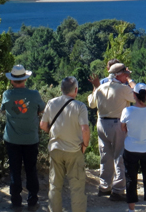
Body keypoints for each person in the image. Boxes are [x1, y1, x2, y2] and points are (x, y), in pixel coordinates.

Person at [40, 76, 90, 212]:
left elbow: (43, 125)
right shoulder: (80, 106)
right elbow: (85, 129)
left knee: (55, 186)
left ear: (61, 89)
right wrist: (84, 145)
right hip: (74, 150)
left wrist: (53, 133)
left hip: (55, 148)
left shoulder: (51, 103)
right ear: (76, 90)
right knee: (77, 188)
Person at [88, 60, 136, 201]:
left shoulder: (101, 88)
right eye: (125, 74)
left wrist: (95, 87)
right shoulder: (123, 88)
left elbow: (91, 103)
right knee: (120, 156)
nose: (126, 77)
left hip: (102, 123)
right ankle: (118, 190)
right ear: (118, 75)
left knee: (105, 156)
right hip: (117, 124)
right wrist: (131, 81)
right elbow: (137, 96)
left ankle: (104, 187)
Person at [1, 65, 46, 211]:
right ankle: (32, 202)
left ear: (12, 81)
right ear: (25, 79)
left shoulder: (7, 95)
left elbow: (3, 109)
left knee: (14, 170)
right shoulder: (34, 95)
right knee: (31, 170)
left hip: (12, 139)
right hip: (31, 139)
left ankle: (16, 203)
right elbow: (41, 109)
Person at [120, 83, 146, 212]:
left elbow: (123, 128)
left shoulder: (127, 111)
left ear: (134, 95)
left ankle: (131, 209)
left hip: (131, 148)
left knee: (131, 178)